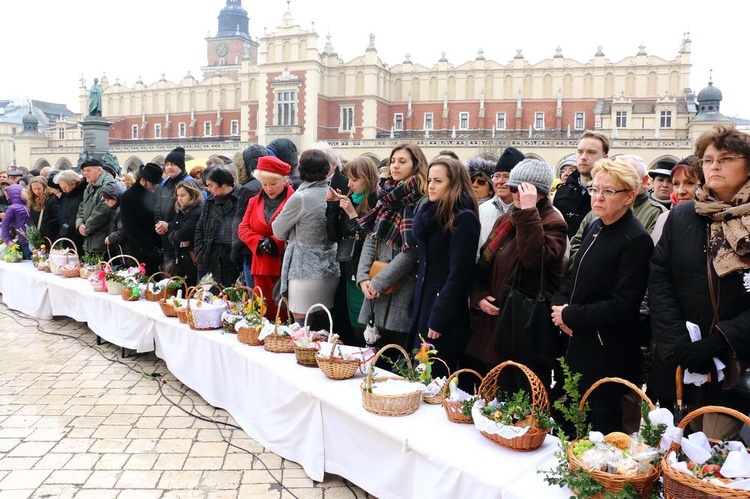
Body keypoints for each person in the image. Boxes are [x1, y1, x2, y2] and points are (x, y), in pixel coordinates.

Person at [649, 126, 750, 439]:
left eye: (726, 158)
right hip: (681, 359)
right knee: (675, 448)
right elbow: (660, 276)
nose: (714, 166)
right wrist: (678, 342)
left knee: (718, 458)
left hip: (735, 359)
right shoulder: (684, 216)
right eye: (707, 160)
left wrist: (720, 340)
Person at [551, 159, 653, 433]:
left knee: (599, 440)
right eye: (595, 189)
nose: (598, 196)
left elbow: (624, 305)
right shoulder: (596, 227)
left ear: (629, 197)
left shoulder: (636, 239)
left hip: (606, 356)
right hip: (576, 345)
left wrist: (570, 315)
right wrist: (559, 305)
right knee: (569, 433)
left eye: (608, 191)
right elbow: (572, 278)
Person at [468, 159, 567, 388]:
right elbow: (483, 263)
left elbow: (533, 260)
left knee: (522, 400)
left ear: (537, 193)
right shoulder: (507, 219)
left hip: (523, 330)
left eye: (519, 189)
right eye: (512, 188)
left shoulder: (552, 222)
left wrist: (529, 211)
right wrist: (478, 296)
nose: (513, 194)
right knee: (491, 399)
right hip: (495, 324)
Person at [409, 157, 480, 377]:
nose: (430, 185)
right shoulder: (431, 213)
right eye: (429, 180)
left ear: (453, 183)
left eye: (438, 181)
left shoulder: (463, 218)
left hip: (443, 310)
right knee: (418, 373)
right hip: (424, 303)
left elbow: (459, 275)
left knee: (433, 376)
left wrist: (439, 316)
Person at [356, 143, 427, 351]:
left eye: (402, 162)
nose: (395, 166)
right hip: (376, 284)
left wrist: (379, 281)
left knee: (397, 349)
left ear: (416, 164)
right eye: (393, 160)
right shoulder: (385, 196)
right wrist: (363, 278)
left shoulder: (421, 200)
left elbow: (411, 250)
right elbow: (371, 238)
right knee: (374, 351)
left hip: (403, 284)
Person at [272, 149, 340, 327]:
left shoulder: (301, 197)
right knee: (326, 326)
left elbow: (278, 230)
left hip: (304, 270)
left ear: (301, 170)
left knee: (304, 329)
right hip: (331, 265)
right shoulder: (334, 192)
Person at [325, 155, 379, 343]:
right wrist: (332, 206)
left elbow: (370, 240)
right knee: (353, 322)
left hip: (365, 272)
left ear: (369, 179)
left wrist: (353, 215)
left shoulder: (375, 202)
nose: (350, 184)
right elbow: (333, 236)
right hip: (348, 268)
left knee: (365, 326)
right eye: (349, 178)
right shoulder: (351, 199)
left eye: (355, 179)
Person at [238, 156, 295, 319]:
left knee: (284, 313)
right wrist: (258, 241)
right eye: (264, 184)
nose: (269, 189)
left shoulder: (294, 199)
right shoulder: (253, 201)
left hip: (285, 263)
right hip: (261, 263)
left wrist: (275, 241)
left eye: (273, 184)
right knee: (262, 310)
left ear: (284, 181)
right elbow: (243, 228)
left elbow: (296, 228)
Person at [553, 130, 609, 238]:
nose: (583, 157)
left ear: (605, 158)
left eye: (591, 152)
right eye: (580, 152)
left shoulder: (609, 194)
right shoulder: (562, 191)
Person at [194, 167, 241, 287]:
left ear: (223, 183)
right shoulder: (210, 202)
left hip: (231, 259)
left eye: (211, 185)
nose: (209, 189)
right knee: (208, 295)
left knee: (231, 297)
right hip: (208, 257)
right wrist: (200, 251)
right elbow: (199, 227)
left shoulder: (240, 198)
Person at [230, 143, 268, 285]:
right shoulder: (276, 183)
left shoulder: (247, 189)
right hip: (270, 249)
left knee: (255, 298)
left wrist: (235, 253)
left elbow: (240, 223)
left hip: (250, 249)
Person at [119, 163, 163, 274]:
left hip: (157, 245)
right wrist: (149, 248)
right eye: (153, 184)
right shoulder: (128, 197)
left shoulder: (154, 193)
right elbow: (131, 227)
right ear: (143, 180)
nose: (155, 186)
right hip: (141, 248)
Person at [477, 147, 525, 251]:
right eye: (497, 176)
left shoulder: (533, 212)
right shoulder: (482, 210)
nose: (500, 181)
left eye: (506, 176)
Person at [155, 146, 196, 264]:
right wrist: (159, 224)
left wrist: (169, 225)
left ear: (181, 166)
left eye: (172, 164)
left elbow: (191, 212)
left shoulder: (189, 183)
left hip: (181, 238)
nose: (169, 167)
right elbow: (157, 207)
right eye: (167, 164)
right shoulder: (165, 184)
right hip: (166, 237)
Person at [650, 157, 698, 243]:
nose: (680, 191)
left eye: (690, 183)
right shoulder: (665, 218)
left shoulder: (719, 220)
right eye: (676, 184)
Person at [76, 159, 116, 257]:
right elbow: (82, 207)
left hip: (102, 240)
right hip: (90, 239)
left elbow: (103, 210)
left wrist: (87, 228)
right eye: (84, 171)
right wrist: (79, 224)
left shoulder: (108, 185)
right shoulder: (89, 186)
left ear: (99, 170)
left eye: (88, 170)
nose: (85, 173)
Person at [167, 182, 204, 287]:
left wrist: (174, 235)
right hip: (182, 256)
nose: (179, 199)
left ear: (192, 194)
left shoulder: (196, 211)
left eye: (183, 195)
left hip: (192, 257)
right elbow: (173, 231)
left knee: (191, 287)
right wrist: (174, 235)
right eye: (178, 196)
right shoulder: (181, 210)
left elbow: (183, 234)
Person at [54, 170, 86, 254]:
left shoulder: (80, 196)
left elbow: (74, 219)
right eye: (62, 188)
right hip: (66, 236)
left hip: (75, 238)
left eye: (65, 188)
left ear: (73, 183)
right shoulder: (68, 195)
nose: (63, 191)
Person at [25, 176, 59, 244]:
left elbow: (56, 217)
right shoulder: (32, 199)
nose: (36, 191)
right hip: (38, 234)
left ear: (44, 187)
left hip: (49, 234)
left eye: (39, 188)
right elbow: (32, 217)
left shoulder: (51, 199)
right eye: (34, 189)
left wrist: (46, 227)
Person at [1, 184, 31, 258]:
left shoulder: (28, 205)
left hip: (34, 238)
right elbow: (4, 225)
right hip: (24, 240)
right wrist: (8, 240)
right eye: (23, 191)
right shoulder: (12, 208)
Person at [102, 183, 126, 256]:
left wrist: (110, 238)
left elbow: (122, 230)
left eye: (108, 200)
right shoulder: (119, 208)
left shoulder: (121, 209)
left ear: (115, 198)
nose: (106, 202)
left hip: (127, 248)